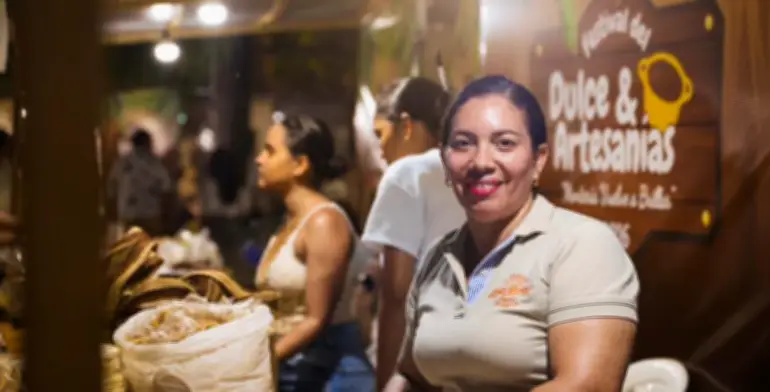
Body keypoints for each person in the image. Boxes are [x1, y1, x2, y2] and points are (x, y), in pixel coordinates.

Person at [386, 75, 640, 392]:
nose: (481, 162)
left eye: (504, 143)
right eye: (463, 144)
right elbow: (412, 376)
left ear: (538, 160)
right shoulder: (440, 255)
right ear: (444, 160)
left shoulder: (581, 246)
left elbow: (588, 385)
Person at [253, 112, 375, 392]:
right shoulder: (289, 224)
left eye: (270, 151)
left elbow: (316, 320)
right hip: (296, 371)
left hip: (331, 376)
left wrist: (255, 363)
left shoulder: (324, 222)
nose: (259, 159)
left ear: (300, 164)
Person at [360, 77, 466, 389]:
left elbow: (397, 292)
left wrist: (386, 382)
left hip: (422, 363)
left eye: (380, 133)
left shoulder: (406, 174)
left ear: (406, 124)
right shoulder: (472, 170)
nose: (379, 147)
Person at [108, 130, 172, 236]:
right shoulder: (154, 163)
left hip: (128, 213)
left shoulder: (122, 162)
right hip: (150, 214)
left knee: (131, 248)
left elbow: (112, 188)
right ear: (148, 143)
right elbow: (166, 187)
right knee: (149, 248)